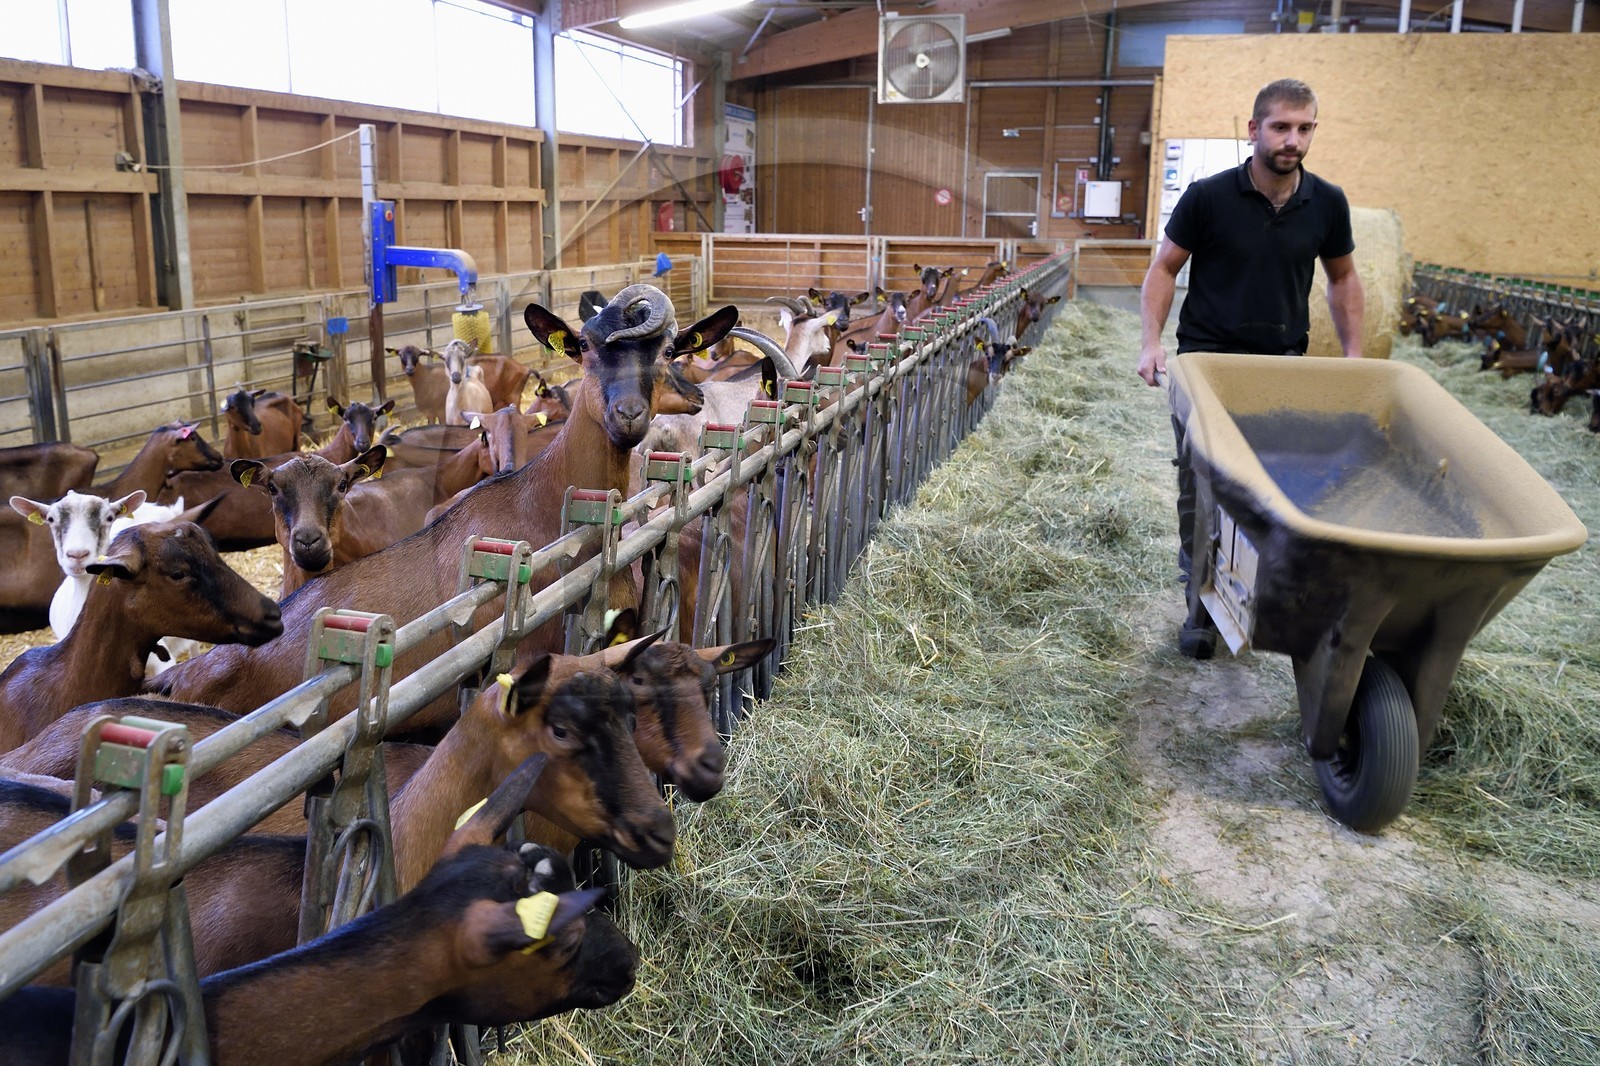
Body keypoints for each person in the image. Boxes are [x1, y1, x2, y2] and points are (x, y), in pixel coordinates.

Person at [1136, 77, 1365, 659]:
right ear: (1254, 130)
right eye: (1281, 127)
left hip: (1282, 369)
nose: (1293, 139)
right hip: (1206, 365)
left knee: (1270, 492)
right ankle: (1198, 606)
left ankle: (1258, 601)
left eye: (1305, 128)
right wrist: (1150, 343)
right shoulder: (1208, 197)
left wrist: (1356, 357)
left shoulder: (1327, 203)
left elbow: (1343, 279)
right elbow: (1164, 269)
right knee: (1203, 486)